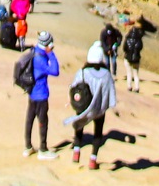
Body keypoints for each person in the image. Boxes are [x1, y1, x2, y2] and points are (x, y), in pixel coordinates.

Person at [64, 41, 117, 169]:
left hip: (83, 107)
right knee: (98, 133)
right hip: (99, 110)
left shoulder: (83, 72)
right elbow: (111, 94)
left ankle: (76, 151)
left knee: (79, 127)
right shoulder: (107, 75)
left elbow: (74, 87)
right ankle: (93, 159)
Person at [23, 31, 60, 159]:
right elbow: (55, 71)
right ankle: (43, 150)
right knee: (43, 121)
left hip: (32, 93)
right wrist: (51, 53)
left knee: (29, 120)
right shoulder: (41, 58)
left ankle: (28, 147)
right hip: (40, 94)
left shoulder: (34, 51)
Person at [123, 22, 143, 92]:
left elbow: (124, 48)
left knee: (129, 73)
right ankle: (137, 87)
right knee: (136, 74)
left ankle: (129, 86)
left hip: (128, 58)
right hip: (136, 59)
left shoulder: (127, 39)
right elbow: (140, 48)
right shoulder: (139, 40)